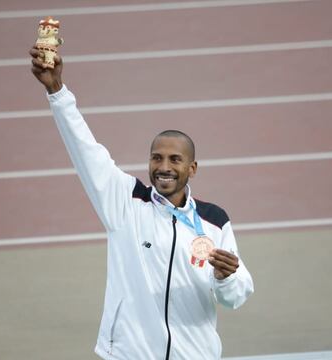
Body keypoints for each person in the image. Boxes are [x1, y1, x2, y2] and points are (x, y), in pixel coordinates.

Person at [30, 47, 254, 360]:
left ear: (192, 168)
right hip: (129, 354)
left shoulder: (215, 220)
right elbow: (86, 150)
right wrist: (56, 91)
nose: (164, 167)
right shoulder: (125, 202)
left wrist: (226, 278)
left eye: (175, 159)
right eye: (156, 157)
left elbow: (235, 296)